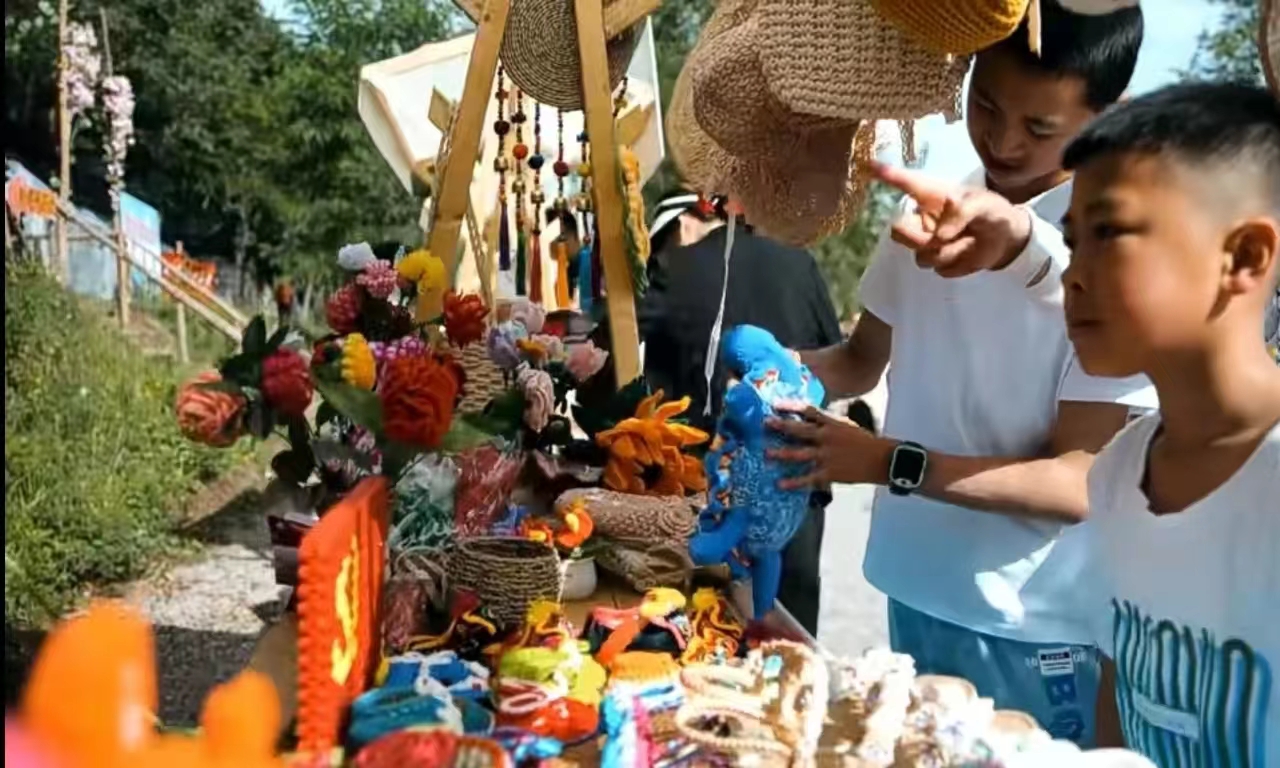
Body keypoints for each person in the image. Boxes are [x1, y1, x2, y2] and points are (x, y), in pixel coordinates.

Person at [769, 1, 1150, 745]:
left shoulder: (1112, 255)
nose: (1004, 142)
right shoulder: (928, 211)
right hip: (914, 587)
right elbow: (858, 362)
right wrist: (767, 371)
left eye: (1040, 127)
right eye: (988, 107)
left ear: (1108, 117)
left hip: (1028, 619)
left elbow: (1079, 482)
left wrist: (888, 462)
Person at [1059, 82, 1280, 766]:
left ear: (1244, 257)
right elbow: (1119, 691)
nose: (1073, 276)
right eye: (1071, 241)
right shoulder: (1118, 472)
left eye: (1109, 234)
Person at [638, 188, 843, 637]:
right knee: (788, 635)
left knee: (699, 632)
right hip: (794, 481)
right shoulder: (799, 263)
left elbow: (641, 378)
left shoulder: (675, 268)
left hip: (699, 487)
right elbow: (836, 364)